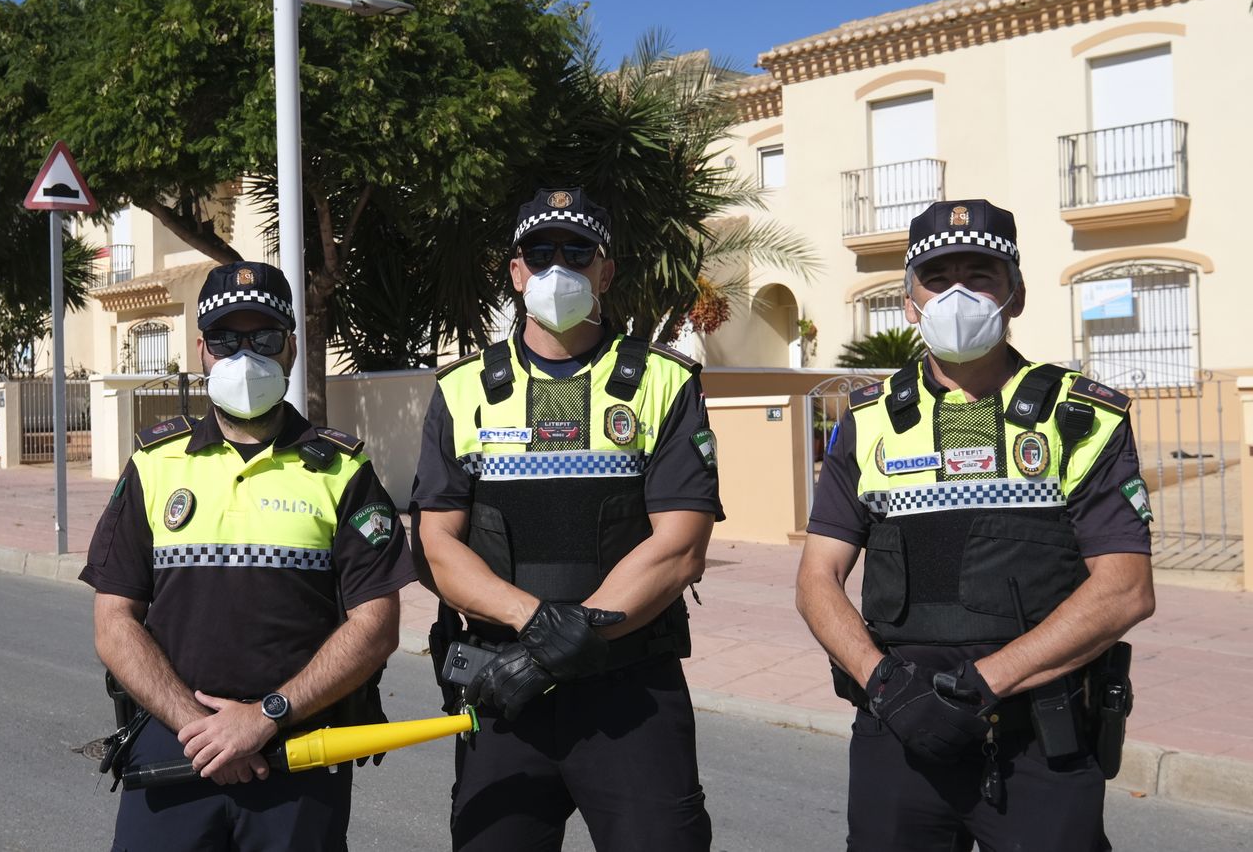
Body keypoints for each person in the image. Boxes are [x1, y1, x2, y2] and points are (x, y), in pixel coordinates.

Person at [795, 199, 1156, 851]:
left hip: (1038, 740)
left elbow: (1125, 588)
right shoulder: (867, 423)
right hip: (899, 731)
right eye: (937, 278)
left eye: (980, 275)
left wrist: (984, 684)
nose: (956, 294)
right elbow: (816, 579)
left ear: (1015, 293)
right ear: (909, 302)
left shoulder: (1080, 418)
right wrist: (883, 682)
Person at [411, 187, 721, 851]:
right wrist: (534, 625)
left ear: (606, 271)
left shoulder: (664, 383)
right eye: (540, 253)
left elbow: (680, 547)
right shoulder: (462, 391)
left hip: (628, 691)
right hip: (504, 689)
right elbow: (436, 544)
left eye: (577, 253)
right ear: (516, 271)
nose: (558, 268)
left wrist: (560, 648)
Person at [80, 261, 416, 852]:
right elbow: (114, 623)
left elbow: (377, 625)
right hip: (175, 747)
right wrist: (201, 728)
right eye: (225, 340)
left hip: (297, 750)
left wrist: (264, 716)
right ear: (201, 351)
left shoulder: (343, 471)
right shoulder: (155, 465)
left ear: (291, 347)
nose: (243, 356)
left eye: (262, 338)